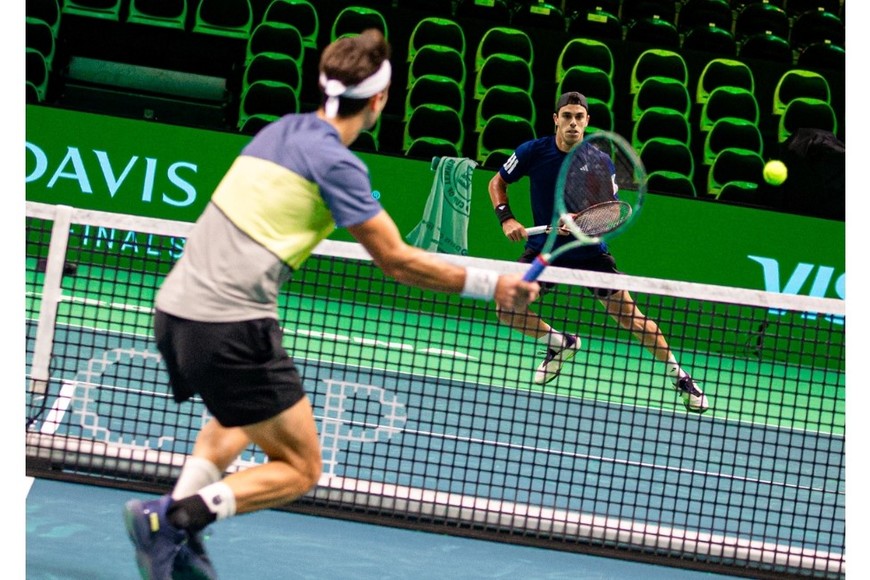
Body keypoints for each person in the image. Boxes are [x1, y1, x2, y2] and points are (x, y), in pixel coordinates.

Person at [123, 29, 539, 580]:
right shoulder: (335, 164)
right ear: (379, 100)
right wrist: (494, 285)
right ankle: (175, 518)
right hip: (230, 324)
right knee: (300, 467)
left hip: (175, 311)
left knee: (237, 414)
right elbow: (397, 261)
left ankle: (177, 531)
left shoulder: (281, 129)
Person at [488, 91, 709, 414]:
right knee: (507, 307)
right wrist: (506, 218)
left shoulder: (599, 161)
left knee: (632, 318)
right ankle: (559, 343)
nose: (573, 123)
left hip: (589, 254)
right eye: (567, 116)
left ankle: (680, 377)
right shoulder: (532, 151)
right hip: (544, 251)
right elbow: (497, 183)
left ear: (587, 121)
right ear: (556, 119)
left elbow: (611, 211)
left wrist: (579, 222)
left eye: (579, 117)